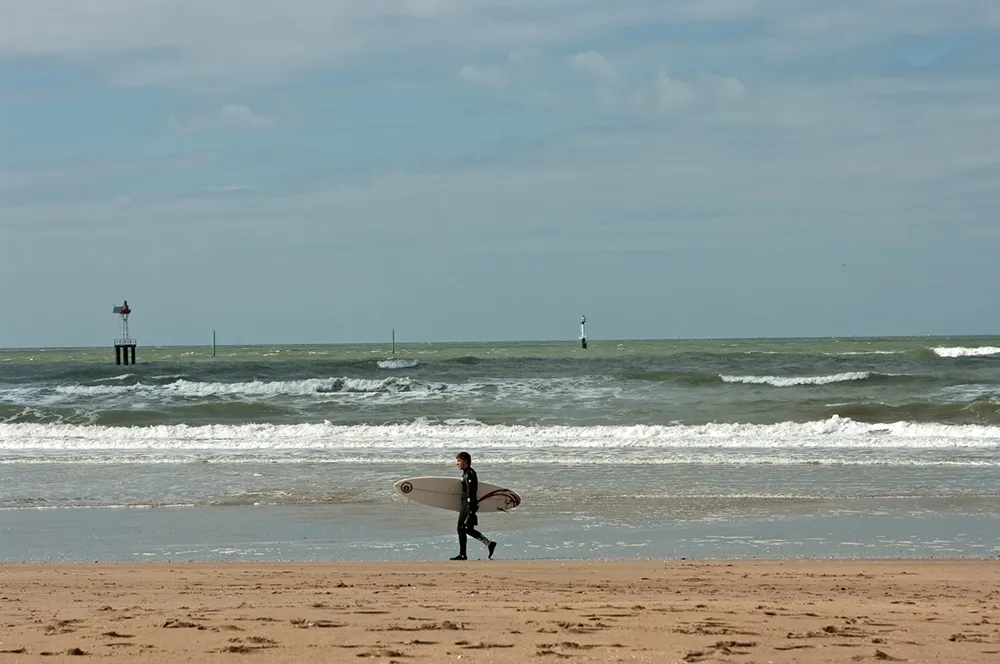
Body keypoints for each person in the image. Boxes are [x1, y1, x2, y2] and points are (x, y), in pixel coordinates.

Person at [451, 451, 498, 561]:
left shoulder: (469, 474)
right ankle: (489, 543)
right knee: (467, 529)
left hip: (468, 505)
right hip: (467, 505)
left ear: (465, 462)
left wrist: (470, 509)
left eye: (459, 461)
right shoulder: (467, 473)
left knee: (461, 528)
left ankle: (463, 555)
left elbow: (471, 492)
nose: (457, 463)